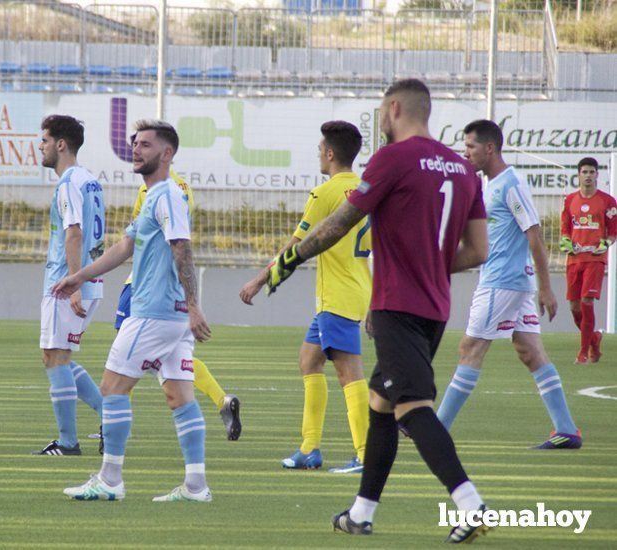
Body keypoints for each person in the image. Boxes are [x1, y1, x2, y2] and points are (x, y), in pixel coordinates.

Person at [266, 79, 490, 542]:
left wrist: (288, 260)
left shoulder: (392, 159)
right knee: (381, 404)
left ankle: (470, 504)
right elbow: (478, 250)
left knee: (412, 408)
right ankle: (361, 512)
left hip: (397, 307)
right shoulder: (463, 169)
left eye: (381, 113)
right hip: (434, 306)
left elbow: (339, 223)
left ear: (394, 109)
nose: (380, 121)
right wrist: (426, 265)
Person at [53, 119, 213, 502]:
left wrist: (194, 305)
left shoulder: (169, 195)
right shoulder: (153, 196)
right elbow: (124, 248)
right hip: (171, 316)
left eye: (145, 144)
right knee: (179, 396)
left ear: (167, 152)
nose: (136, 150)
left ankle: (110, 480)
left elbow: (182, 248)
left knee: (112, 387)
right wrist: (80, 276)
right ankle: (196, 486)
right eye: (135, 143)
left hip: (155, 311)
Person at [436, 119, 581, 450]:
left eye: (470, 146)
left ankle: (437, 428)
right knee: (530, 351)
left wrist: (547, 288)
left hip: (503, 280)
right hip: (513, 281)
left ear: (489, 148)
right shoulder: (489, 185)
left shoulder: (510, 183)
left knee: (470, 348)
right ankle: (567, 429)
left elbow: (535, 234)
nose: (465, 152)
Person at [239, 120, 370, 474]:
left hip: (336, 296)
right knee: (309, 360)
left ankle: (364, 454)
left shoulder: (325, 193)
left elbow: (296, 246)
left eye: (319, 150)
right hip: (357, 289)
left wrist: (258, 279)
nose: (318, 156)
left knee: (349, 373)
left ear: (329, 153)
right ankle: (310, 448)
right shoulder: (365, 189)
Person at [115, 168, 241, 441]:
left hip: (144, 282)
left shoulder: (152, 191)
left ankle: (112, 425)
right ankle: (222, 400)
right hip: (174, 286)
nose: (136, 152)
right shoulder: (184, 187)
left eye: (142, 145)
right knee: (173, 357)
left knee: (125, 354)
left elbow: (136, 238)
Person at [32, 115, 105, 456]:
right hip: (88, 280)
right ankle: (110, 416)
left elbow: (73, 232)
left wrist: (74, 284)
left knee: (55, 358)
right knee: (60, 357)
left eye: (45, 140)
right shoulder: (90, 180)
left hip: (67, 283)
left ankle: (68, 443)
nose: (41, 146)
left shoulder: (68, 184)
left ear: (61, 144)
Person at [560, 157, 617, 364]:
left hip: (595, 259)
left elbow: (613, 231)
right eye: (584, 172)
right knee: (574, 307)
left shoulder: (608, 201)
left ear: (597, 175)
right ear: (578, 174)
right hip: (574, 260)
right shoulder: (569, 200)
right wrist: (566, 242)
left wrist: (606, 244)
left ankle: (583, 353)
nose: (588, 176)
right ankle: (594, 339)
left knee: (587, 302)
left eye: (592, 172)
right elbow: (565, 228)